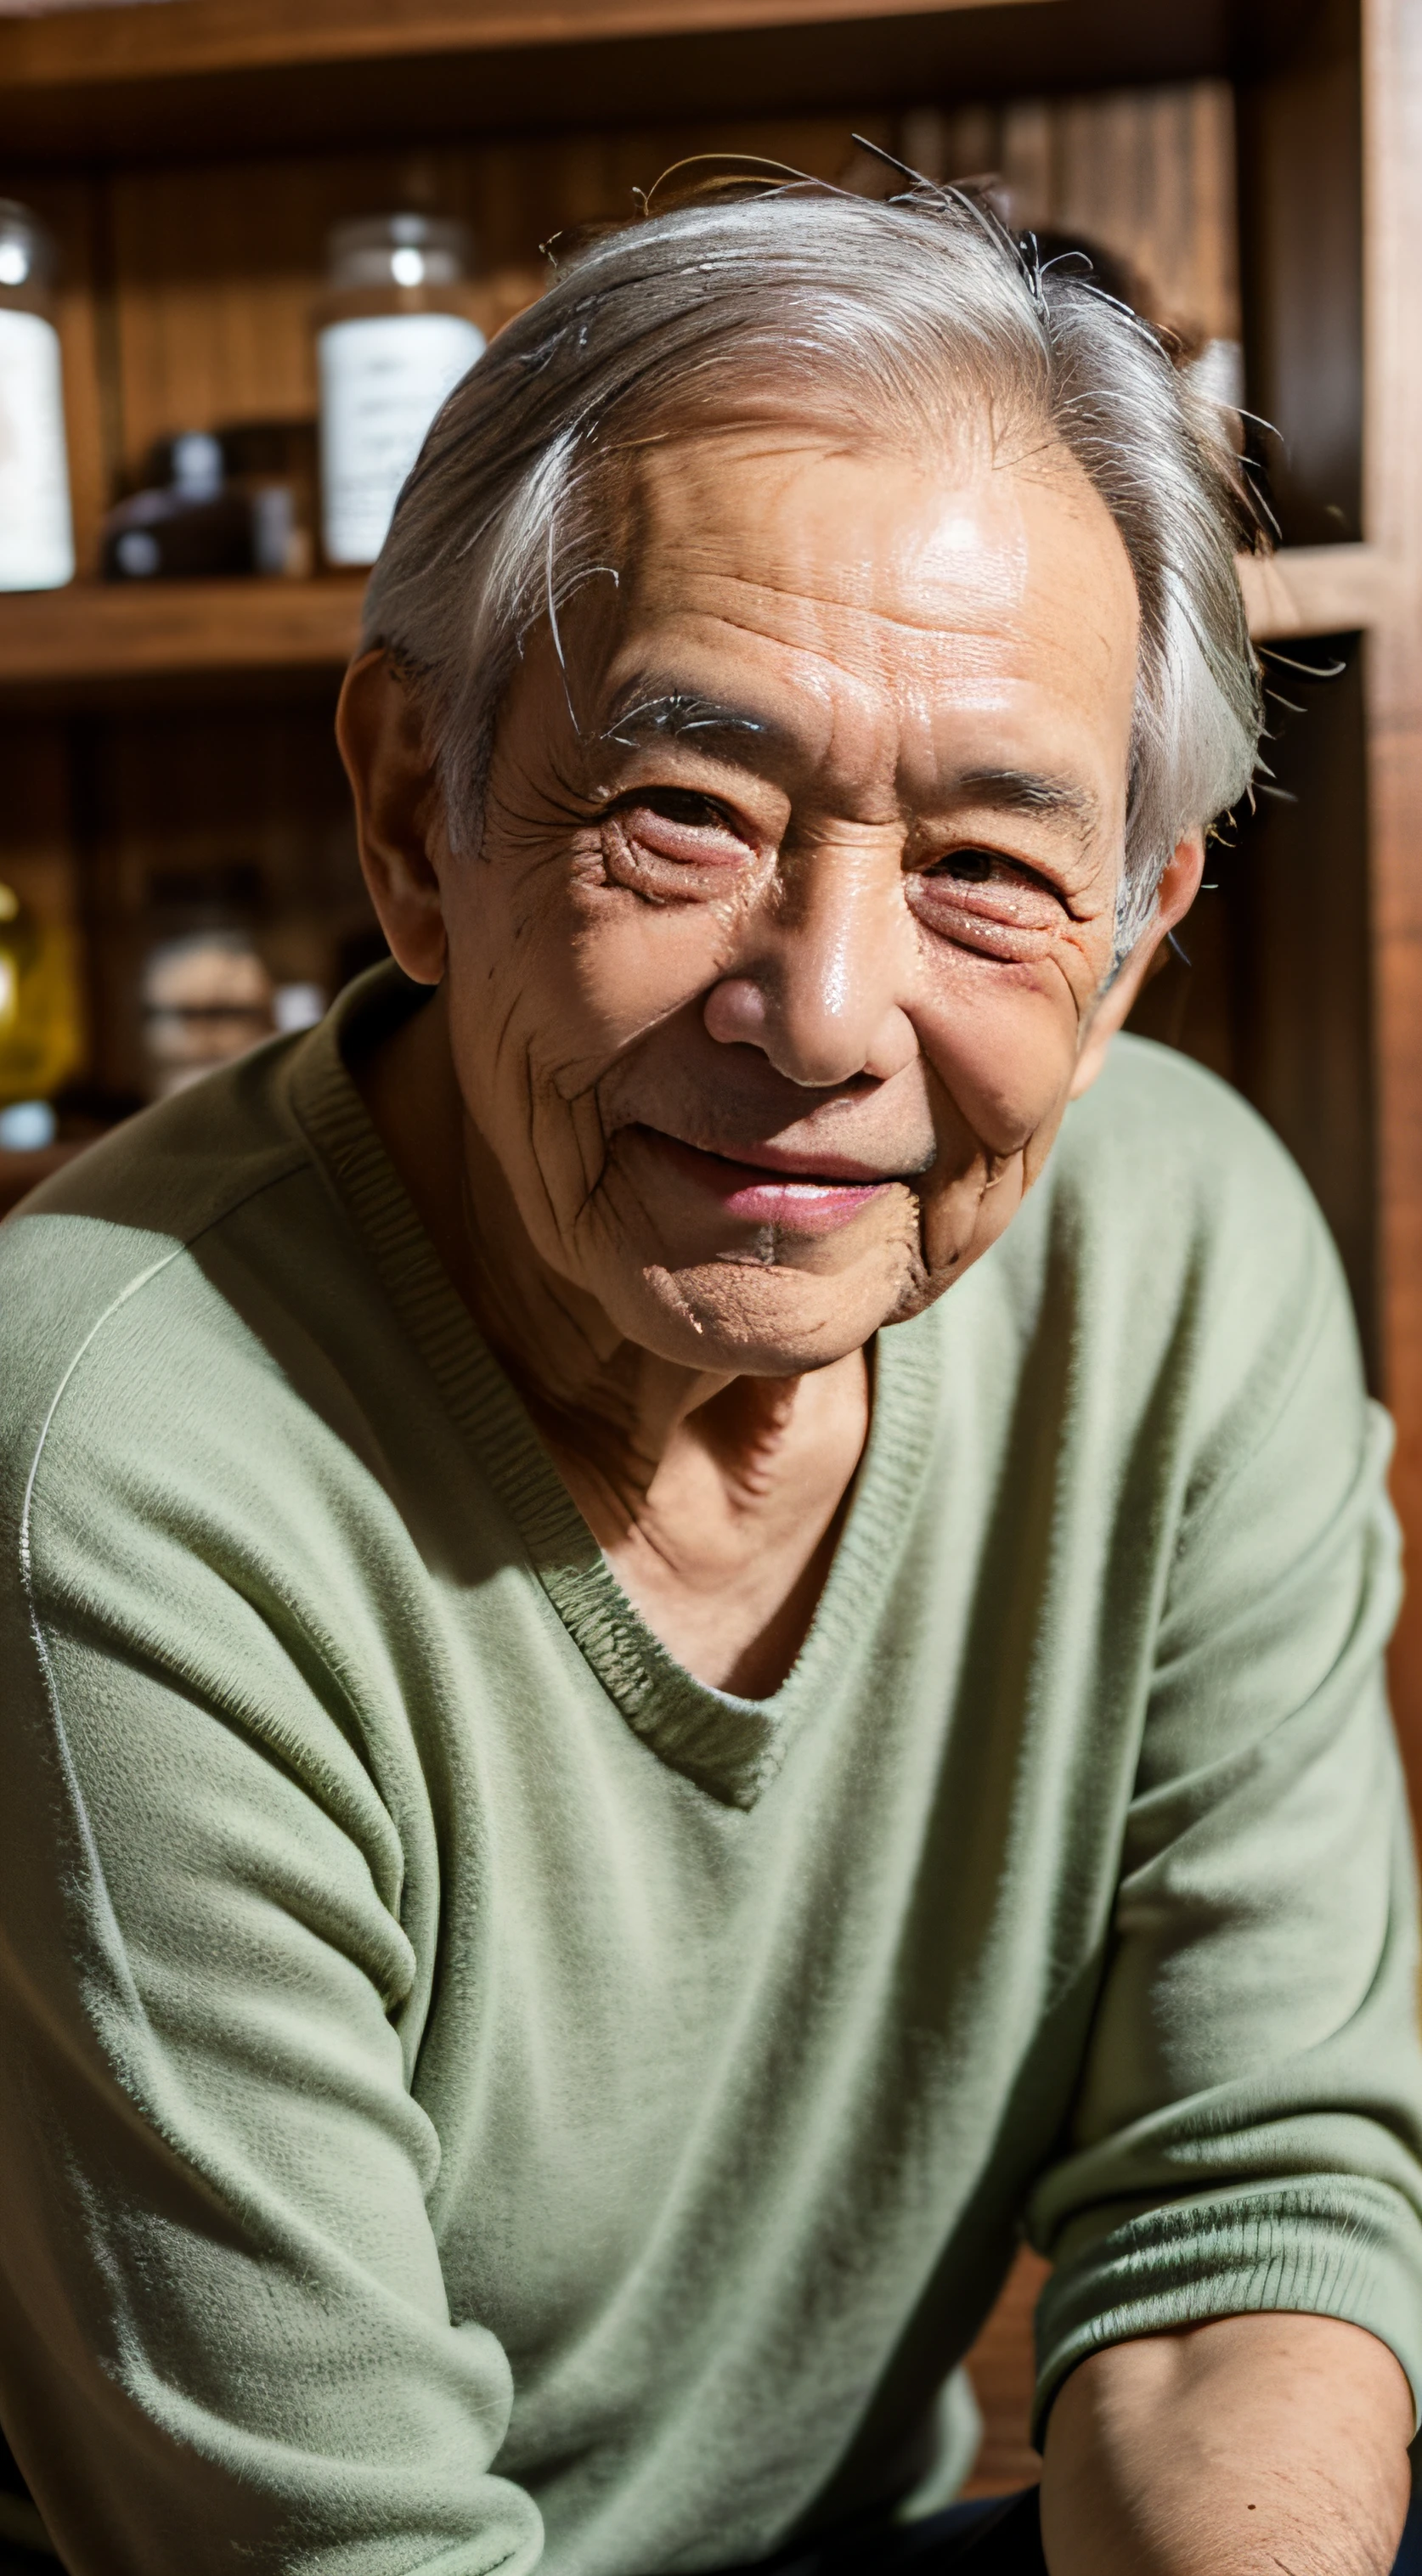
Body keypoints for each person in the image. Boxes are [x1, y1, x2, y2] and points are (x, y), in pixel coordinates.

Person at [1, 175, 1419, 2576]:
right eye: (685, 810)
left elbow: (1239, 2213)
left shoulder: (1180, 1250)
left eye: (991, 862)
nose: (827, 1014)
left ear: (1140, 932)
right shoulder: (106, 1450)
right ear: (411, 816)